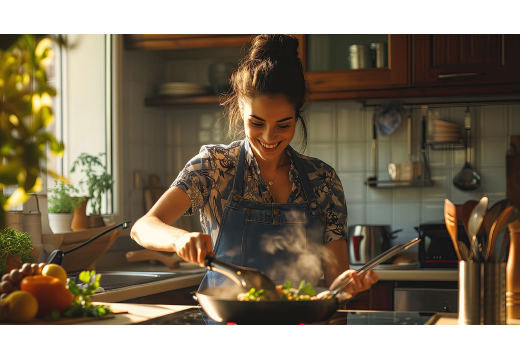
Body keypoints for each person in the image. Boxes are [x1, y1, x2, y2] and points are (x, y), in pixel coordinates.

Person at [130, 34, 379, 309]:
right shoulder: (214, 166)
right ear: (240, 107)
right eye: (257, 123)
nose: (269, 137)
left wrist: (347, 285)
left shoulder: (322, 180)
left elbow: (335, 283)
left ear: (297, 115)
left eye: (283, 125)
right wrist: (180, 239)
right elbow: (142, 228)